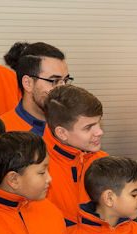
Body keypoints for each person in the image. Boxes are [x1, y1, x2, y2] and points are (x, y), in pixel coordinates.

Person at [43, 85, 107, 225]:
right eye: (88, 127)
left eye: (98, 123)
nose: (99, 132)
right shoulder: (35, 168)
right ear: (62, 133)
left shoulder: (104, 162)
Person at [0, 42, 71, 135]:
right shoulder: (3, 133)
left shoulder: (75, 125)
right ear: (28, 83)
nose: (62, 88)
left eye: (65, 80)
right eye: (54, 81)